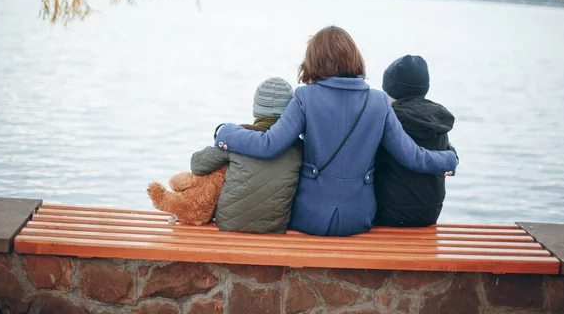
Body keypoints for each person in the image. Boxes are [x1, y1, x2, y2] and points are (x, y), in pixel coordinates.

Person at [214, 26, 458, 236]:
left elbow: (268, 146)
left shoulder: (304, 97)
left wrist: (224, 132)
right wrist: (449, 159)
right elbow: (412, 157)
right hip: (359, 218)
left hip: (309, 216)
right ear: (354, 57)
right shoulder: (379, 102)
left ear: (315, 60)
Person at [190, 77, 302, 234]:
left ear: (255, 109)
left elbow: (197, 164)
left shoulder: (238, 139)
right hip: (275, 228)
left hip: (228, 225)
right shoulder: (298, 148)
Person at [374, 55, 456, 227]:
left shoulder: (389, 119)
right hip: (430, 213)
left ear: (389, 88)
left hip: (390, 213)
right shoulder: (437, 120)